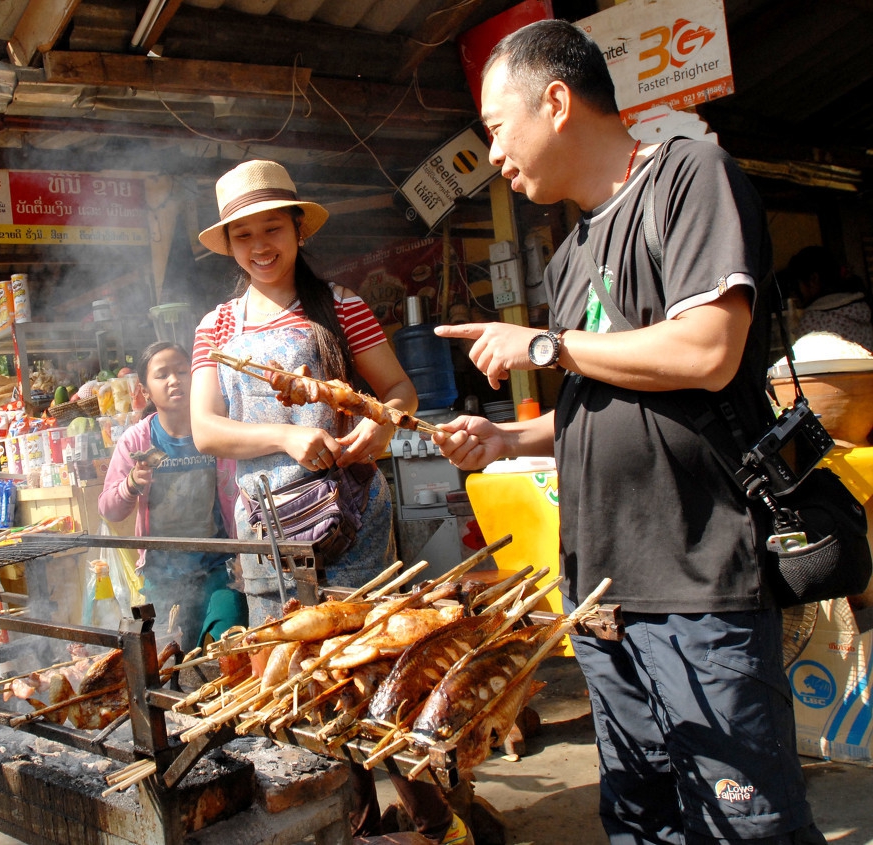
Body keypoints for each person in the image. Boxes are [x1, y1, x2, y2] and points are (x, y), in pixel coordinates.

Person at [432, 20, 825, 844]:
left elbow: (709, 351)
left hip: (694, 583)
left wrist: (546, 346)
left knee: (742, 824)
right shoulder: (570, 253)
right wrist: (507, 442)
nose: (493, 156)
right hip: (601, 597)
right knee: (644, 822)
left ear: (556, 102)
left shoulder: (690, 176)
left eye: (497, 128)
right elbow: (602, 402)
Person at [190, 160, 446, 839]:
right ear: (229, 245)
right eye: (243, 235)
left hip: (353, 520)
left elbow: (399, 392)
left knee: (381, 671)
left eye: (272, 228)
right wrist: (282, 434)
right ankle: (355, 826)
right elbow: (205, 428)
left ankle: (434, 822)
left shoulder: (342, 305)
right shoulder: (216, 327)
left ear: (298, 230)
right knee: (303, 685)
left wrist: (377, 428)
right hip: (269, 532)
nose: (259, 246)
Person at [98, 342, 243, 652]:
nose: (175, 380)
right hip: (162, 577)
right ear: (145, 390)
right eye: (162, 375)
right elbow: (109, 509)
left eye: (181, 371)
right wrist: (131, 484)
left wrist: (244, 552)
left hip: (218, 568)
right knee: (168, 659)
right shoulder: (138, 440)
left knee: (225, 645)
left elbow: (241, 493)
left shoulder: (216, 430)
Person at [787, 245, 873, 351]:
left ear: (814, 279)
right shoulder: (861, 309)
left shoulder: (812, 321)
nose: (794, 293)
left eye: (796, 285)